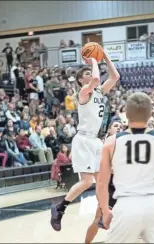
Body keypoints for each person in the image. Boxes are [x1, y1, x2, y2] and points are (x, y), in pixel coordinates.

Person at [97, 92, 154, 243]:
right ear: (150, 114)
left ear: (126, 114)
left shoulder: (111, 142)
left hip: (125, 206)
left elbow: (101, 183)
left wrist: (105, 211)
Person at [50, 51, 120, 231]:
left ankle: (103, 215)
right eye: (86, 73)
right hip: (84, 140)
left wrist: (104, 56)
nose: (91, 75)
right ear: (81, 80)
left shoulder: (99, 91)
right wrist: (94, 62)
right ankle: (60, 208)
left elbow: (115, 76)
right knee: (88, 182)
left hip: (97, 141)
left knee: (102, 181)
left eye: (91, 71)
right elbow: (96, 79)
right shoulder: (83, 92)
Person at [85, 120, 122, 243]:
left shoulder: (124, 144)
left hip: (122, 188)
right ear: (109, 129)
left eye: (121, 126)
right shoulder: (103, 145)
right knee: (98, 220)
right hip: (108, 188)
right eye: (116, 126)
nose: (119, 128)